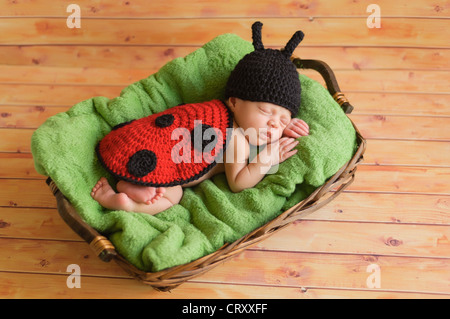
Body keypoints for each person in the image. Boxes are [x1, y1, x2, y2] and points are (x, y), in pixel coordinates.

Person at [91, 22, 309, 215]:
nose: (274, 123)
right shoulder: (236, 139)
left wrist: (282, 124)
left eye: (283, 119)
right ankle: (125, 203)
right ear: (233, 102)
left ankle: (131, 186)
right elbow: (238, 183)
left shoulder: (228, 116)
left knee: (159, 181)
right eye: (265, 111)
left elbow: (264, 124)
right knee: (172, 195)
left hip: (136, 144)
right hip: (157, 158)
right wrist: (267, 158)